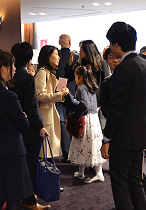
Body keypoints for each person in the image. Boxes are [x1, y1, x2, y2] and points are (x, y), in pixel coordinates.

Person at [101, 21, 146, 210]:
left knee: (120, 184)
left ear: (116, 44)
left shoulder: (124, 68)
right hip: (139, 135)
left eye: (110, 43)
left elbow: (117, 109)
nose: (110, 48)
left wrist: (107, 138)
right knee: (135, 182)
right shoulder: (144, 64)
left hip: (123, 138)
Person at [0, 49, 33, 210]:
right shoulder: (8, 96)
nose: (14, 68)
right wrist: (24, 116)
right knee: (14, 198)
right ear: (3, 68)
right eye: (12, 65)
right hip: (12, 153)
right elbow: (24, 125)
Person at [10, 42, 51, 210]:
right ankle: (29, 200)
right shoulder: (26, 77)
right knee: (29, 165)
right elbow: (32, 107)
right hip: (28, 129)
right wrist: (40, 126)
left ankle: (22, 196)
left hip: (12, 127)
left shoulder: (9, 77)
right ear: (30, 58)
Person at [65, 66, 107, 183]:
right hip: (94, 119)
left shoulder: (81, 88)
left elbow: (84, 105)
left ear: (80, 77)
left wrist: (74, 108)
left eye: (75, 76)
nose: (75, 79)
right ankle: (96, 173)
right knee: (93, 145)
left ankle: (83, 173)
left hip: (86, 119)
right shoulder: (91, 87)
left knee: (82, 144)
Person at [35, 45, 69, 158]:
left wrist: (61, 93)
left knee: (48, 153)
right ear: (48, 57)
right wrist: (60, 95)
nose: (58, 57)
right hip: (45, 115)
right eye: (56, 54)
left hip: (50, 113)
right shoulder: (42, 73)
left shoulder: (50, 73)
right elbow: (40, 95)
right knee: (45, 154)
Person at [56, 34, 79, 163]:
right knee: (74, 122)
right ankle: (76, 153)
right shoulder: (76, 57)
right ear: (70, 42)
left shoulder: (55, 56)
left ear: (59, 42)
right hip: (74, 93)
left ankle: (66, 153)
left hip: (59, 93)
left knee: (63, 122)